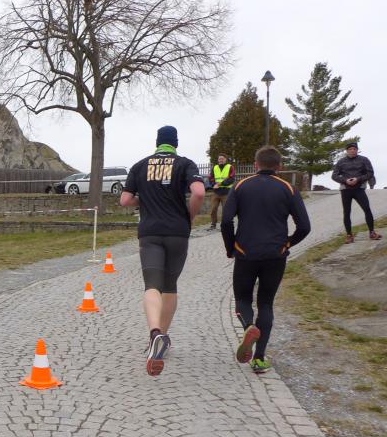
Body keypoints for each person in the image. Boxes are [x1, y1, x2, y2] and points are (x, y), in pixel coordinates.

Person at [120, 125, 205, 376]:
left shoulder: (139, 166)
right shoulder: (185, 164)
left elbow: (125, 200)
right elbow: (199, 192)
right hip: (178, 232)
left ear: (157, 142)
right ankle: (163, 338)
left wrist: (144, 199)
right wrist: (189, 216)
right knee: (170, 286)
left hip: (150, 233)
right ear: (175, 143)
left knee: (152, 285)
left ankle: (154, 333)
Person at [221, 146, 311, 374]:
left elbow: (226, 221)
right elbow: (305, 226)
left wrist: (230, 248)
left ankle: (248, 326)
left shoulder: (240, 186)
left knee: (243, 299)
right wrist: (288, 243)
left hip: (245, 252)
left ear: (255, 164)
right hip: (275, 254)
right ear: (279, 166)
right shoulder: (288, 188)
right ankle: (259, 358)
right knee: (266, 303)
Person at [331, 142, 381, 243]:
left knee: (367, 209)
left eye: (354, 149)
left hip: (359, 189)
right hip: (346, 189)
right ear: (347, 151)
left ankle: (372, 232)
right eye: (350, 149)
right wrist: (345, 180)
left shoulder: (364, 159)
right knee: (347, 212)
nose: (352, 151)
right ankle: (349, 235)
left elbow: (370, 173)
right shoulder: (341, 162)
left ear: (357, 150)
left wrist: (358, 179)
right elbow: (334, 176)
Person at [207, 153, 236, 230]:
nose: (220, 160)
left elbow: (232, 179)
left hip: (226, 192)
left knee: (225, 210)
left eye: (222, 159)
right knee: (213, 209)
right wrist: (213, 184)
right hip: (216, 192)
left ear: (225, 159)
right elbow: (211, 178)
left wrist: (221, 183)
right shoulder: (215, 167)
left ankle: (224, 225)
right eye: (219, 159)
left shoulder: (230, 167)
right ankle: (213, 224)